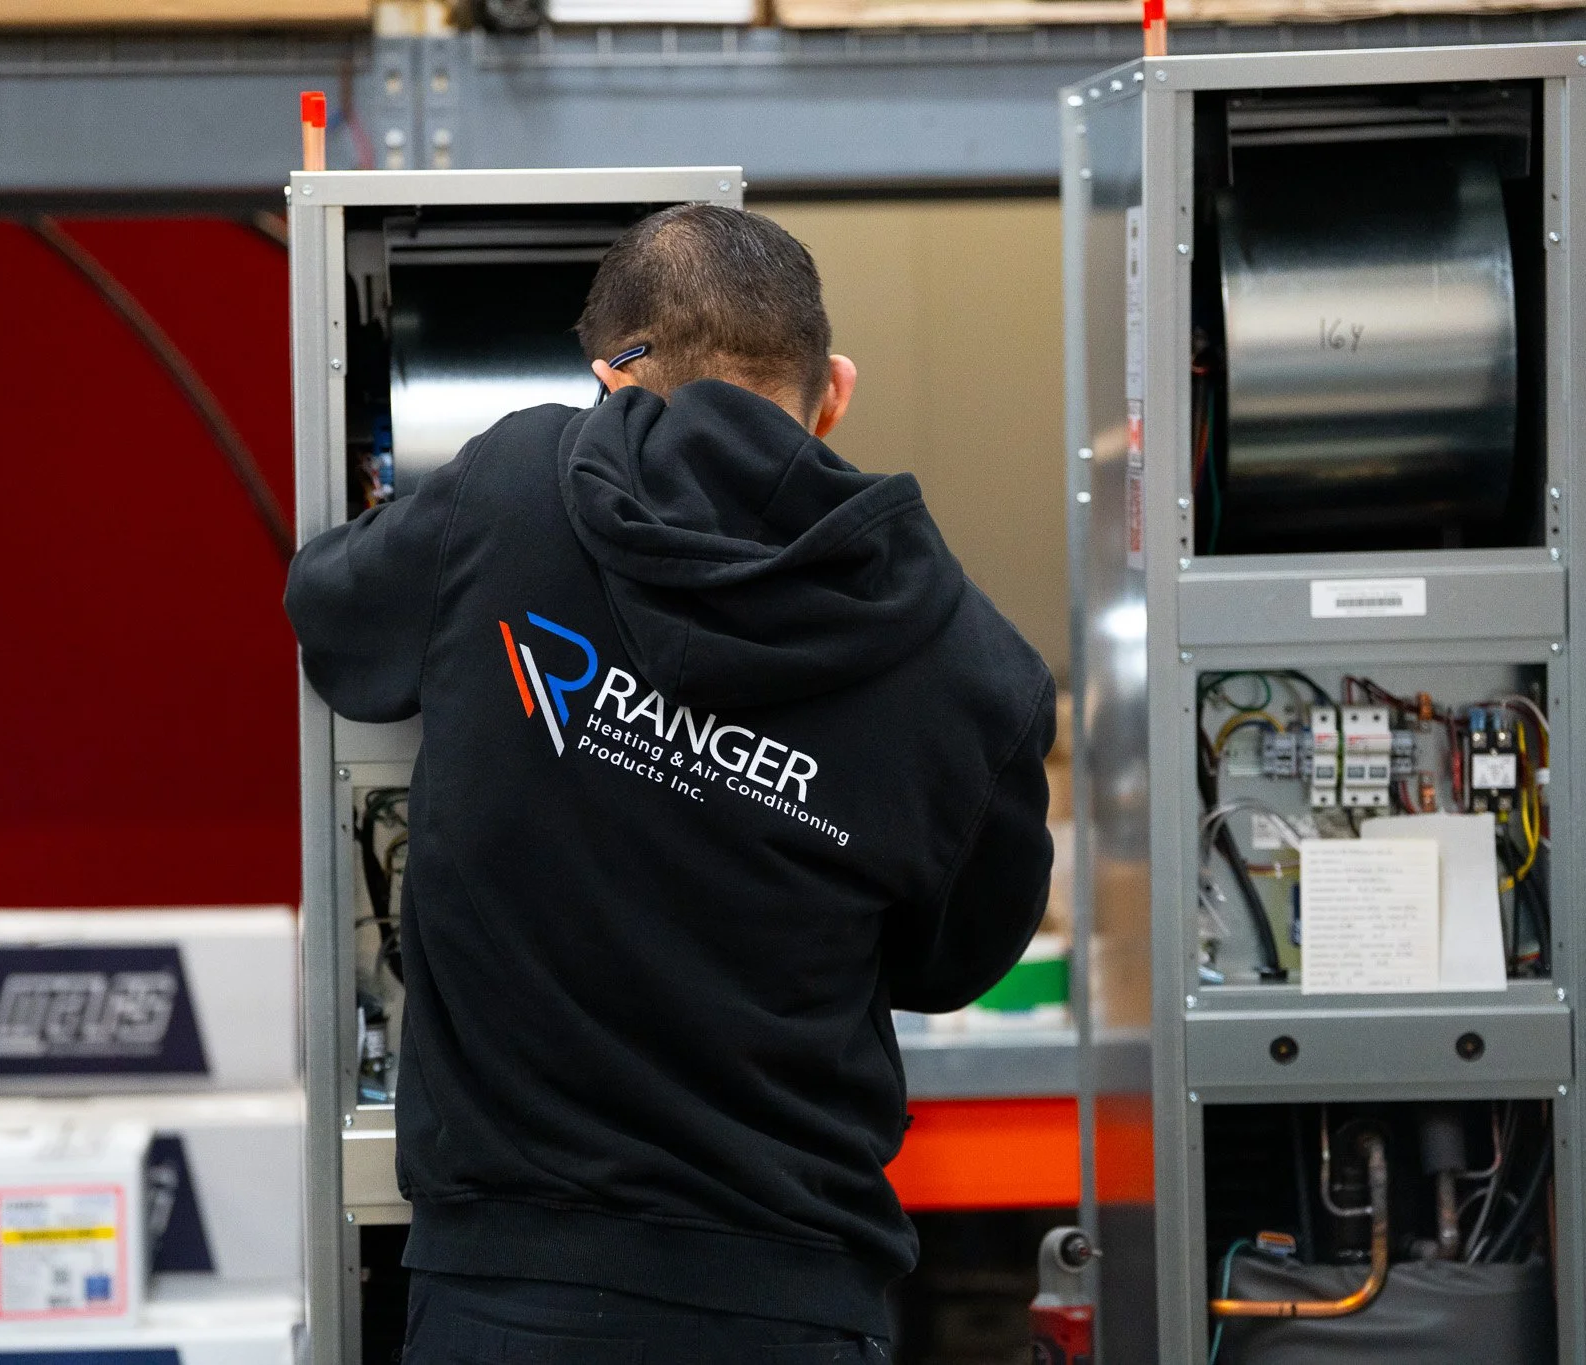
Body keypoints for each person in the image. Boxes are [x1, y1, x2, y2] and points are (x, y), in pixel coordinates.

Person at [284, 204, 1055, 1364]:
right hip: (791, 1302)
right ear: (832, 390)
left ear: (611, 381)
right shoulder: (969, 665)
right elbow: (951, 962)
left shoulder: (509, 494)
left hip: (508, 1293)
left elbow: (334, 622)